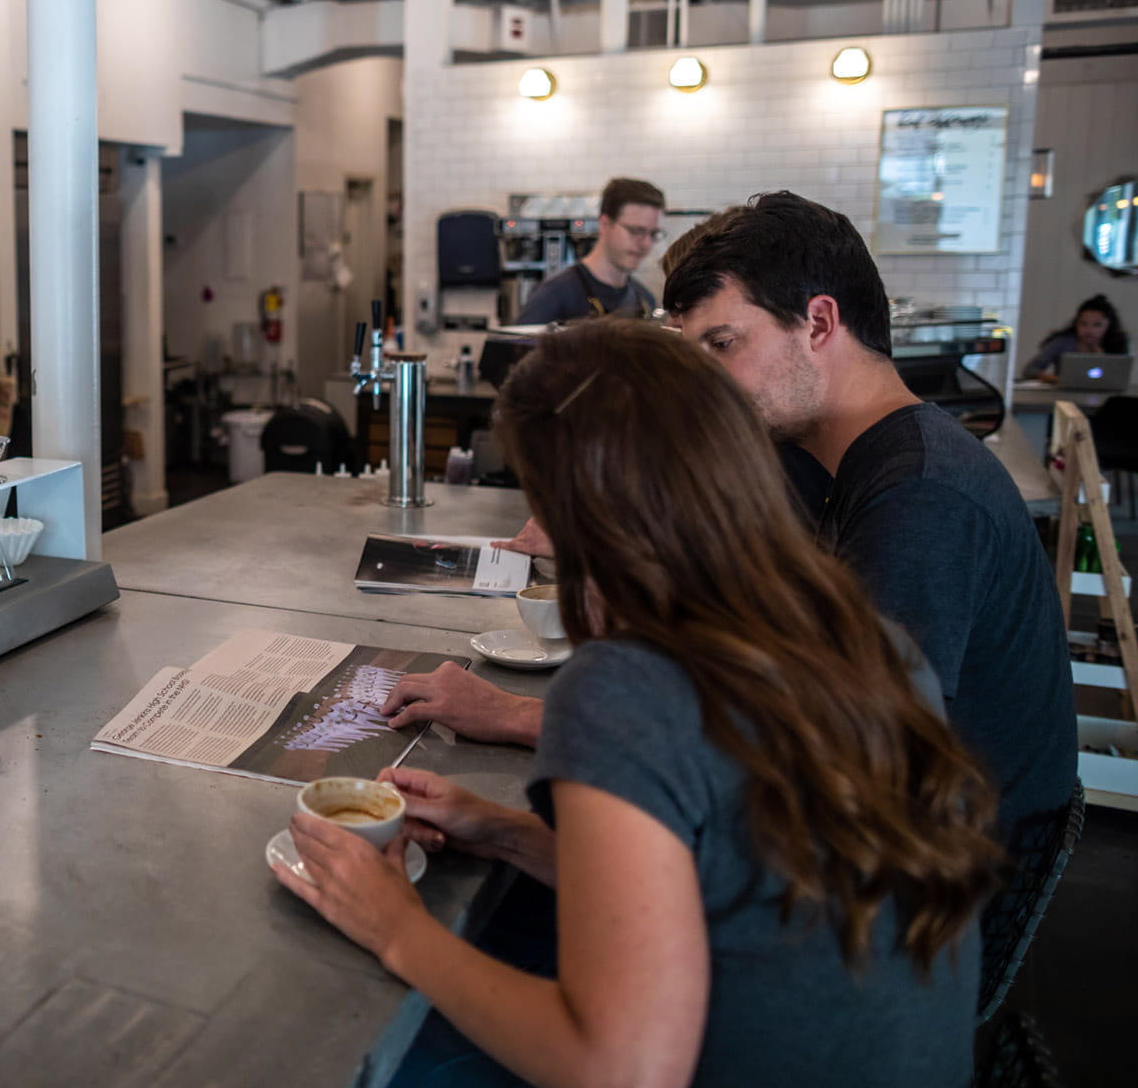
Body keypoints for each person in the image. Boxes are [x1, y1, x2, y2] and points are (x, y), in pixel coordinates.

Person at [276, 320, 1000, 1088]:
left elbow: (622, 1070)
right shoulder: (866, 637)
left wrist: (396, 926)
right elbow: (730, 895)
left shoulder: (628, 685)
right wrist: (508, 834)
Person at [389, 192, 1076, 842]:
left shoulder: (921, 497)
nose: (704, 384)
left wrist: (516, 715)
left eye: (722, 345)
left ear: (820, 323)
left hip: (933, 903)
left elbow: (830, 755)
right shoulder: (830, 456)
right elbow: (760, 652)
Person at [514, 178, 665, 323]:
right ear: (604, 224)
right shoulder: (554, 295)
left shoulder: (644, 300)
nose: (646, 243)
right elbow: (515, 349)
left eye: (653, 234)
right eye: (635, 231)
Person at [1024, 294, 1128, 381]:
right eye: (1083, 324)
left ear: (1109, 325)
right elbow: (1030, 370)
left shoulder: (1117, 343)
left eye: (1097, 325)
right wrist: (1052, 378)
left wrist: (1101, 357)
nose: (1089, 330)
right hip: (1065, 397)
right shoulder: (1063, 342)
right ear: (1076, 323)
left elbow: (1120, 378)